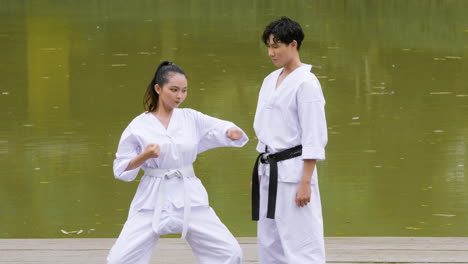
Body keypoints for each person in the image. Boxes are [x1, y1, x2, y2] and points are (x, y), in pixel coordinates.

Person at [107, 61, 248, 264]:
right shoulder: (138, 125)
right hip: (152, 199)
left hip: (189, 196)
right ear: (158, 88)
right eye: (174, 90)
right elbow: (120, 169)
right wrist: (144, 156)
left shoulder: (191, 118)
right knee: (120, 259)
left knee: (230, 253)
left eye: (184, 91)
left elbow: (217, 128)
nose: (179, 96)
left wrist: (230, 132)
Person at [251, 17, 328, 263]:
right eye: (268, 46)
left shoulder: (307, 83)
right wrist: (261, 171)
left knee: (301, 240)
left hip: (295, 172)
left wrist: (306, 181)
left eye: (276, 46)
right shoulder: (269, 80)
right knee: (269, 239)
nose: (270, 52)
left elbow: (314, 135)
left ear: (293, 44)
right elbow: (265, 127)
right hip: (269, 169)